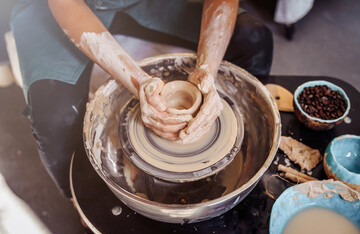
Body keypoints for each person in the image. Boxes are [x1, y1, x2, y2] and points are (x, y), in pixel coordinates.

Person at [10, 0, 273, 198]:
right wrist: (140, 82)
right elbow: (66, 5)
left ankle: (237, 144)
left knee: (254, 38)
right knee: (54, 119)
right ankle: (84, 204)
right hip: (57, 10)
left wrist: (207, 68)